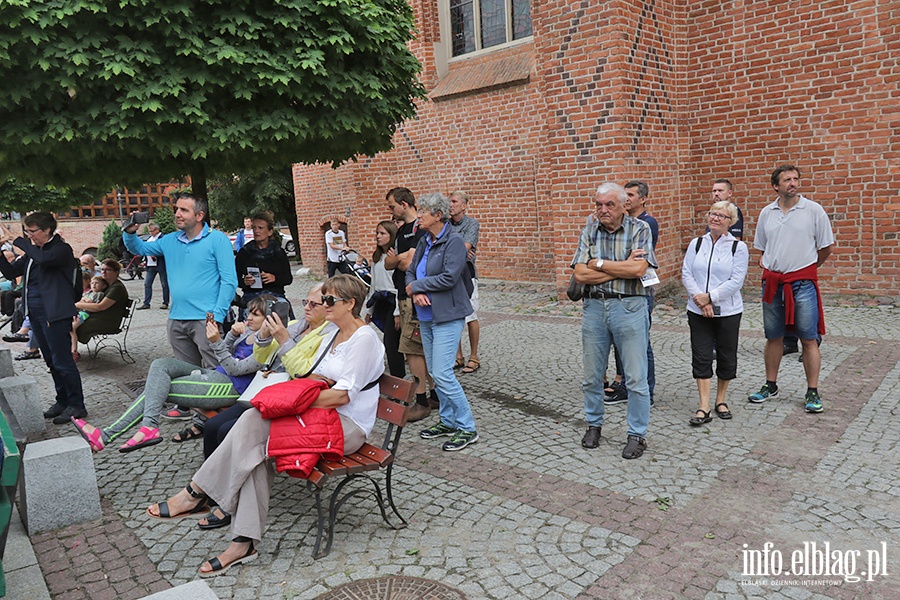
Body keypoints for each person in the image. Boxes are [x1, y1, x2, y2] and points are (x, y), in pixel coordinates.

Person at [145, 275, 384, 577]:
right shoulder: (333, 332)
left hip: (345, 426)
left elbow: (341, 395)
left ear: (350, 304)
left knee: (253, 431)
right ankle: (241, 541)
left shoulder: (364, 339)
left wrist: (294, 403)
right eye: (323, 299)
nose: (324, 305)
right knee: (252, 431)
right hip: (316, 416)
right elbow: (309, 374)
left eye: (329, 300)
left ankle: (197, 495)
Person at [72, 295, 276, 452]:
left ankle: (110, 435)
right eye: (250, 312)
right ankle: (144, 428)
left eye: (256, 314)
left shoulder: (268, 344)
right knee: (161, 365)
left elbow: (235, 369)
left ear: (270, 320)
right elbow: (227, 353)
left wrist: (215, 341)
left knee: (159, 389)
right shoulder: (248, 333)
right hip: (216, 374)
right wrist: (231, 334)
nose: (249, 317)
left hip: (230, 388)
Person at [572, 183, 657, 459]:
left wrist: (598, 263)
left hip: (630, 307)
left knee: (635, 377)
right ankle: (594, 424)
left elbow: (639, 268)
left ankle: (637, 434)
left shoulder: (640, 229)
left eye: (609, 205)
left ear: (624, 205)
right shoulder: (589, 230)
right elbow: (581, 276)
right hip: (595, 307)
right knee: (592, 376)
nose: (603, 210)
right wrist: (620, 268)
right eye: (598, 204)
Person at [748, 165, 834, 413]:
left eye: (796, 179)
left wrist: (806, 269)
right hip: (773, 283)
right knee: (773, 335)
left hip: (803, 283)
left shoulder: (813, 210)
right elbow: (762, 249)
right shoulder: (767, 213)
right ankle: (770, 384)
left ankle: (812, 391)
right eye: (787, 179)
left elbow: (826, 247)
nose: (793, 183)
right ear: (776, 186)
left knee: (808, 338)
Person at [123, 194, 238, 369]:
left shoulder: (218, 240)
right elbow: (139, 248)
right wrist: (130, 231)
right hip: (176, 319)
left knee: (217, 372)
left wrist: (217, 316)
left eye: (184, 210)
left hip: (206, 319)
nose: (177, 213)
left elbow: (229, 281)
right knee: (188, 374)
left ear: (199, 216)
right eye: (177, 209)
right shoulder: (169, 240)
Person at [406, 193, 479, 452]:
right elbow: (411, 271)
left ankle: (467, 427)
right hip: (425, 316)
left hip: (448, 314)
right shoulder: (425, 241)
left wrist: (418, 286)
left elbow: (449, 278)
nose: (419, 215)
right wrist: (414, 290)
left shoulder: (455, 241)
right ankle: (448, 421)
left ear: (438, 215)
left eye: (423, 211)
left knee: (443, 373)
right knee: (437, 372)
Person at [0, 212, 87, 424]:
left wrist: (17, 240)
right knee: (50, 360)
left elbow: (45, 260)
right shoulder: (33, 252)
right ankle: (62, 400)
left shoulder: (60, 249)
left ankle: (77, 405)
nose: (29, 236)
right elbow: (11, 273)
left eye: (32, 231)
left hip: (55, 313)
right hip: (36, 313)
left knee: (62, 360)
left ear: (47, 230)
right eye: (26, 231)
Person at [682, 201, 749, 425]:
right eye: (713, 214)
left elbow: (736, 281)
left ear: (731, 222)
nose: (716, 218)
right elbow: (687, 273)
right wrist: (700, 300)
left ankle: (721, 400)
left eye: (722, 216)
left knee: (726, 355)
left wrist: (711, 297)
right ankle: (704, 405)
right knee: (701, 355)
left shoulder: (738, 248)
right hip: (698, 310)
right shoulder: (696, 243)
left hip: (728, 311)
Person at [605, 180, 658, 406]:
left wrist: (614, 263)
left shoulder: (647, 224)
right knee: (621, 340)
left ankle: (647, 391)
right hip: (621, 290)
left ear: (643, 199)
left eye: (631, 195)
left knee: (641, 342)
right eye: (624, 195)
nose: (626, 199)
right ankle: (625, 384)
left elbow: (636, 263)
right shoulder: (623, 223)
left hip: (641, 291)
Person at [384, 187, 434, 421]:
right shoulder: (401, 229)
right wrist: (396, 259)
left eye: (392, 206)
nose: (390, 211)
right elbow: (388, 262)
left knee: (412, 349)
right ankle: (434, 395)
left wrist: (397, 259)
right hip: (402, 296)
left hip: (413, 297)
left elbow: (409, 262)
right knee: (419, 349)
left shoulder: (418, 229)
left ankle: (422, 401)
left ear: (404, 204)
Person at [362, 220, 405, 378]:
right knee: (390, 341)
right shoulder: (377, 257)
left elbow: (399, 286)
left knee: (391, 342)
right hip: (381, 302)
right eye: (377, 233)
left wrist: (397, 312)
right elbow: (374, 284)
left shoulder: (394, 257)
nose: (378, 236)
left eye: (382, 233)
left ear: (391, 235)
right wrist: (369, 309)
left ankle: (398, 379)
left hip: (394, 303)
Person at [448, 191, 482, 374]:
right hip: (450, 274)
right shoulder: (445, 224)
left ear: (464, 205)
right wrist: (458, 251)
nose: (450, 205)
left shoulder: (472, 224)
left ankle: (474, 356)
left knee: (470, 315)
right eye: (449, 201)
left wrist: (459, 250)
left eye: (454, 201)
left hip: (467, 274)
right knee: (455, 315)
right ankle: (458, 356)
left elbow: (466, 247)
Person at [234, 211, 293, 314]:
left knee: (280, 313)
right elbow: (234, 278)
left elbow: (288, 278)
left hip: (275, 295)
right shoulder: (245, 252)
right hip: (251, 296)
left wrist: (274, 278)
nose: (256, 231)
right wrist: (245, 282)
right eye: (254, 228)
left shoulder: (278, 252)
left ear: (269, 232)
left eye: (260, 228)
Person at [74, 259, 130, 346]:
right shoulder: (106, 285)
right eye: (102, 269)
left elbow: (100, 307)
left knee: (73, 325)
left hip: (108, 321)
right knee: (70, 321)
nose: (103, 272)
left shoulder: (117, 288)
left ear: (116, 272)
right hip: (100, 316)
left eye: (107, 270)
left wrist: (77, 304)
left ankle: (71, 351)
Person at [71, 274, 108, 359]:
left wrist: (83, 302)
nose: (94, 285)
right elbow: (80, 301)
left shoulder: (99, 294)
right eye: (92, 283)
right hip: (78, 312)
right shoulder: (88, 292)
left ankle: (74, 351)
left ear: (104, 286)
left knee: (72, 328)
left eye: (97, 283)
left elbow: (92, 305)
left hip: (84, 314)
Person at [138, 222, 170, 310]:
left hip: (160, 264)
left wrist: (155, 254)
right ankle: (146, 303)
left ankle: (165, 302)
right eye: (149, 231)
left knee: (164, 284)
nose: (150, 233)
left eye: (152, 231)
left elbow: (165, 250)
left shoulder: (163, 238)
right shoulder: (150, 239)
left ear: (157, 230)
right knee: (147, 283)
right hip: (150, 264)